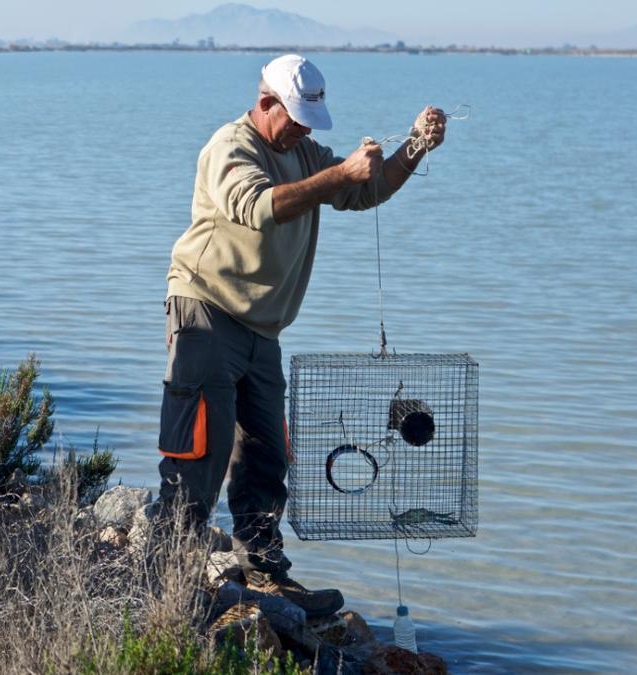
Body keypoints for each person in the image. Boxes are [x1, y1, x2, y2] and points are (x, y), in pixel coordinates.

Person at [157, 54, 446, 618]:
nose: (305, 131)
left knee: (267, 456)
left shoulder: (302, 151)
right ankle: (168, 586)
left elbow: (366, 192)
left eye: (310, 121)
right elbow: (258, 207)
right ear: (266, 104)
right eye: (295, 118)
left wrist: (414, 148)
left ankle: (265, 576)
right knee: (200, 458)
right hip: (205, 312)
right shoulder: (230, 146)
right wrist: (340, 175)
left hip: (262, 329)